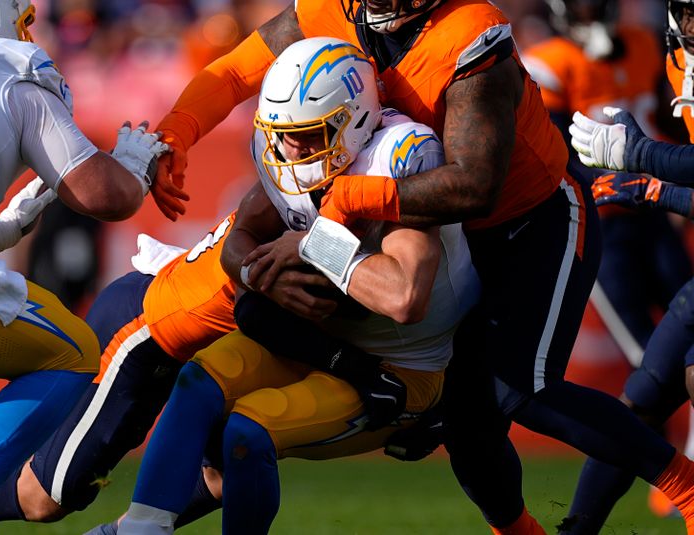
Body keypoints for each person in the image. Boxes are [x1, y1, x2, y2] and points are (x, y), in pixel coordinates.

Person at [147, 0, 694, 532]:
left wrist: (343, 207)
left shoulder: (467, 33)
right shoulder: (328, 9)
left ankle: (684, 488)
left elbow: (474, 187)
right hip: (435, 224)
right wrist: (177, 130)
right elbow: (238, 69)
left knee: (519, 389)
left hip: (531, 220)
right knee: (468, 424)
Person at [116, 36, 480, 535]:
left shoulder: (398, 157)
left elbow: (404, 298)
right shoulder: (285, 153)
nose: (292, 149)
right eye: (283, 134)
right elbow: (236, 243)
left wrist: (312, 245)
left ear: (353, 120)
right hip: (323, 343)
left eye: (309, 134)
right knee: (197, 381)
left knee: (247, 430)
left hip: (401, 367)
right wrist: (259, 276)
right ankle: (138, 529)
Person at [0, 0, 166, 533]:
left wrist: (5, 229)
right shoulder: (6, 65)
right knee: (73, 352)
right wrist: (134, 168)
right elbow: (104, 195)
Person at [522, 0, 694, 519]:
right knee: (647, 386)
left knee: (663, 380)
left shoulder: (645, 48)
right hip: (607, 222)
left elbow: (662, 141)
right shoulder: (551, 61)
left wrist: (653, 178)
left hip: (649, 208)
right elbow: (553, 153)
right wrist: (651, 184)